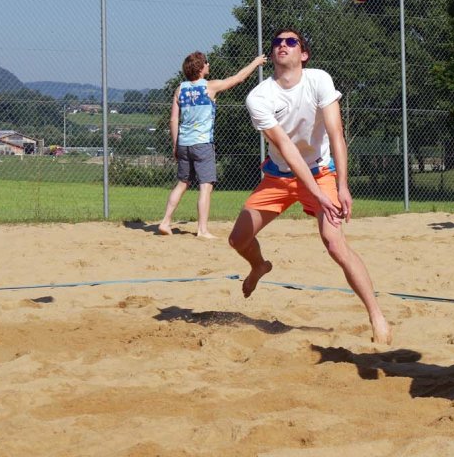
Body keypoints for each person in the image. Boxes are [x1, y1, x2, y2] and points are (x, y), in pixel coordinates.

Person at [228, 28, 392, 345]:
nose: (283, 46)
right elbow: (286, 147)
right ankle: (259, 265)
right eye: (277, 42)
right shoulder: (259, 97)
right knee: (237, 239)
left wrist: (341, 185)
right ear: (272, 54)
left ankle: (376, 315)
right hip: (279, 176)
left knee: (334, 242)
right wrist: (316, 195)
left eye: (291, 42)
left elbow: (336, 133)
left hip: (320, 172)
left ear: (303, 54)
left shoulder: (318, 80)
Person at [157, 51, 267, 238]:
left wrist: (175, 144)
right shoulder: (210, 87)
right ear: (201, 68)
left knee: (182, 183)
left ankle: (166, 222)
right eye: (206, 63)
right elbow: (238, 78)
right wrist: (255, 62)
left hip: (184, 143)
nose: (209, 65)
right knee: (205, 186)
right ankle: (202, 230)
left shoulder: (180, 89)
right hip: (202, 144)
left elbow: (173, 120)